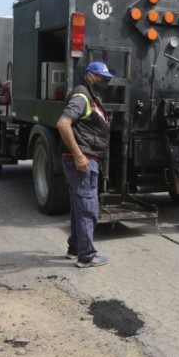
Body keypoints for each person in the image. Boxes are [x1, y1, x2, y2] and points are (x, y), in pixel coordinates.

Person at [56, 62, 113, 268]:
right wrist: (78, 154)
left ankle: (75, 248)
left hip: (85, 159)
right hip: (83, 161)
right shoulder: (81, 96)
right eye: (101, 77)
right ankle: (87, 256)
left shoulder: (89, 96)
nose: (105, 81)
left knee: (78, 205)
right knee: (88, 207)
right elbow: (63, 123)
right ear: (89, 76)